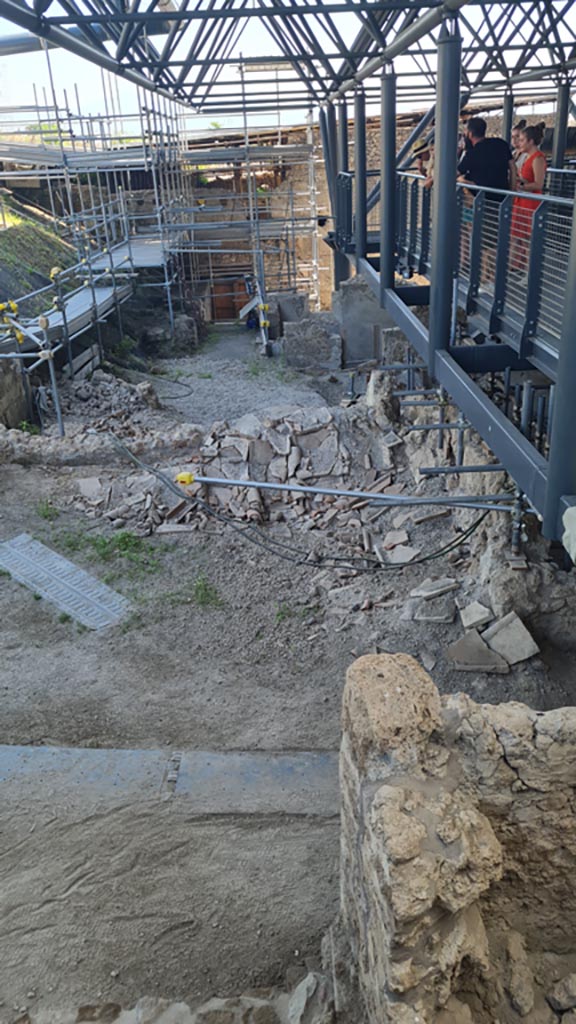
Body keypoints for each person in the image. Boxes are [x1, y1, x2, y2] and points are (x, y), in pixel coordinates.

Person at [510, 123, 547, 273]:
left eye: (523, 139)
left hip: (530, 202)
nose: (520, 143)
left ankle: (531, 271)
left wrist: (521, 186)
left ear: (531, 141)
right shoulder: (529, 157)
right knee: (521, 237)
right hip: (522, 200)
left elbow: (539, 184)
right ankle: (523, 268)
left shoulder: (538, 158)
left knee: (528, 239)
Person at [457, 116, 517, 200]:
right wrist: (512, 192)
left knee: (460, 180)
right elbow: (513, 167)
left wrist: (462, 181)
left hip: (481, 201)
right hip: (502, 197)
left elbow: (456, 174)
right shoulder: (501, 143)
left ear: (470, 134)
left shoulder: (472, 153)